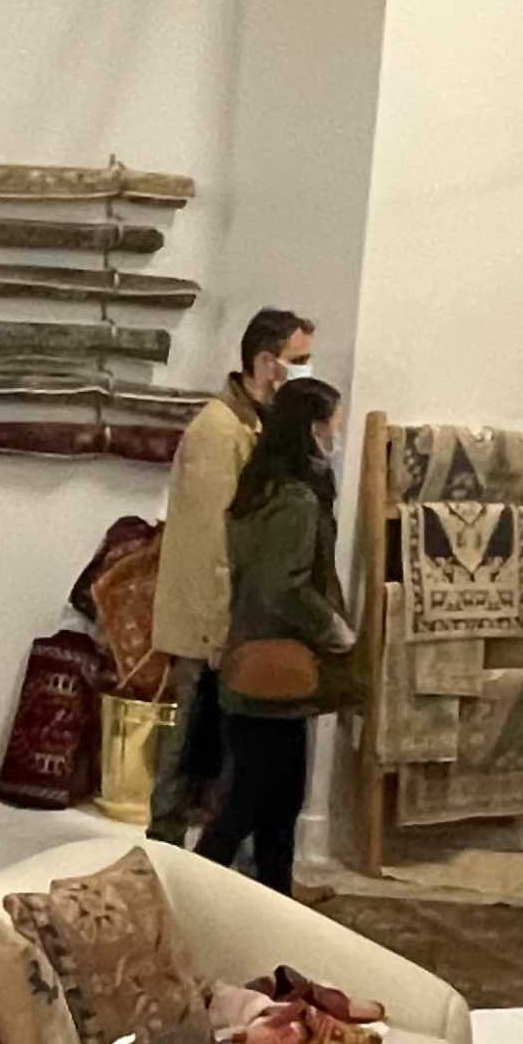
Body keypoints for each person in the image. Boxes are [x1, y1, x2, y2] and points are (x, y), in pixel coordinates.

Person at [151, 308, 318, 842]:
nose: (306, 369)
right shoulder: (218, 431)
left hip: (240, 620)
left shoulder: (258, 426)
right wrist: (217, 629)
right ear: (267, 363)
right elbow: (211, 539)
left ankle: (221, 863)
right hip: (213, 623)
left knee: (229, 754)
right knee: (190, 748)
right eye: (300, 360)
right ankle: (165, 856)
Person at [194, 377, 353, 897]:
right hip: (278, 669)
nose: (335, 436)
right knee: (257, 809)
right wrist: (332, 629)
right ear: (310, 428)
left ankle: (270, 905)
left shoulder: (257, 491)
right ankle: (191, 896)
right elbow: (282, 587)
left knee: (263, 807)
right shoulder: (296, 500)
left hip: (249, 661)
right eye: (330, 425)